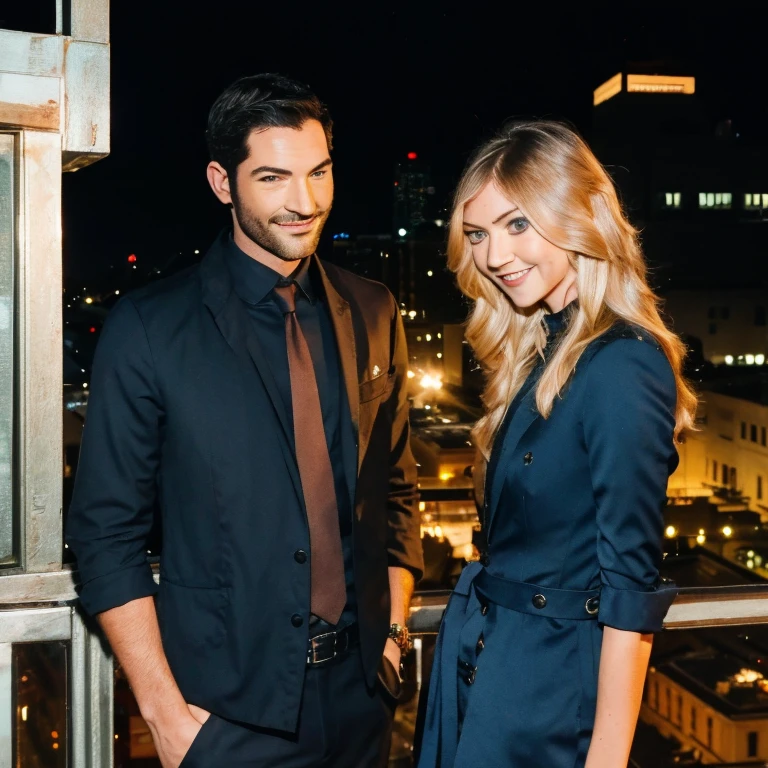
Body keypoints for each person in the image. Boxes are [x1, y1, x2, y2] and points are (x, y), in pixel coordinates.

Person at [66, 73, 423, 768]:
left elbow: (397, 492)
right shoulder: (149, 328)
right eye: (273, 177)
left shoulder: (374, 310)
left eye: (319, 172)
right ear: (221, 182)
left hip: (362, 702)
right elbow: (105, 538)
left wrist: (393, 633)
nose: (305, 201)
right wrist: (168, 720)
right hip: (224, 719)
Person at [416, 121, 696, 768]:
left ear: (578, 216)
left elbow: (631, 588)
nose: (494, 255)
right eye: (479, 234)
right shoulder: (541, 352)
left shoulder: (623, 365)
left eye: (518, 225)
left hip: (547, 698)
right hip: (490, 666)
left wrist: (607, 756)